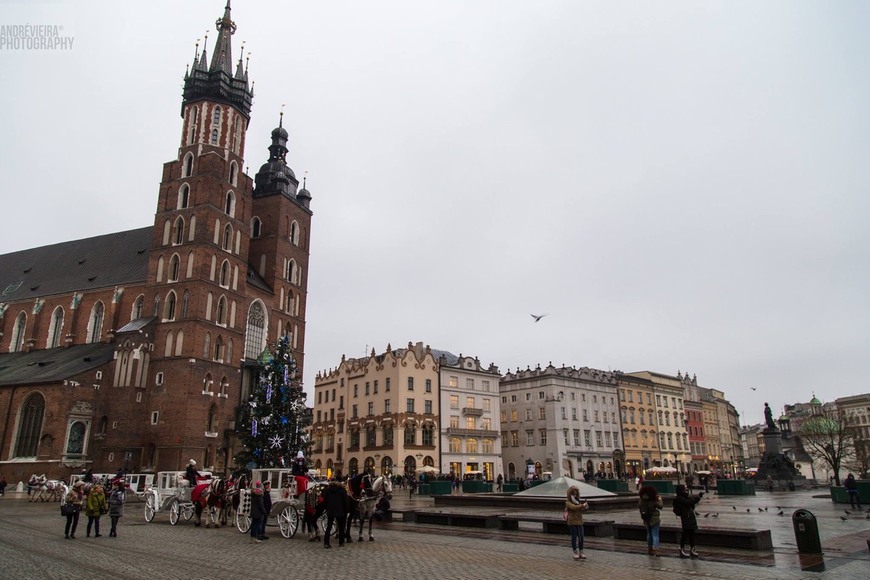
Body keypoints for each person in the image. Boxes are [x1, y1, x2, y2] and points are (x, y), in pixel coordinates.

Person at [674, 484, 703, 558]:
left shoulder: (685, 496)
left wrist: (697, 498)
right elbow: (690, 503)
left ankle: (692, 549)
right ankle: (682, 549)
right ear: (681, 490)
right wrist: (698, 497)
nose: (686, 490)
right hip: (686, 518)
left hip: (690, 518)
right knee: (685, 534)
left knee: (691, 534)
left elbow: (691, 504)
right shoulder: (680, 498)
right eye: (685, 488)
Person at [565, 485, 589, 560]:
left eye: (575, 493)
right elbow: (574, 508)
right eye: (573, 493)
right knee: (574, 537)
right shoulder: (568, 502)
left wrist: (585, 507)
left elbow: (581, 509)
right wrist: (582, 506)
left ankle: (581, 551)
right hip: (572, 522)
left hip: (580, 521)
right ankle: (575, 552)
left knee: (581, 537)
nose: (574, 495)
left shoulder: (578, 501)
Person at [322, 480, 349, 548]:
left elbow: (325, 500)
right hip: (341, 510)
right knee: (341, 527)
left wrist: (327, 509)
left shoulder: (328, 490)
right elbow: (345, 501)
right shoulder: (342, 490)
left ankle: (326, 542)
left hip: (330, 510)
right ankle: (341, 542)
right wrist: (347, 510)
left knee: (329, 526)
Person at [638, 485, 663, 557]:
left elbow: (640, 508)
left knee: (649, 534)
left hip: (646, 519)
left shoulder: (641, 501)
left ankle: (650, 549)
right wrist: (660, 499)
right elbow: (660, 506)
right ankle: (656, 549)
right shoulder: (653, 500)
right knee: (655, 535)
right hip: (654, 519)